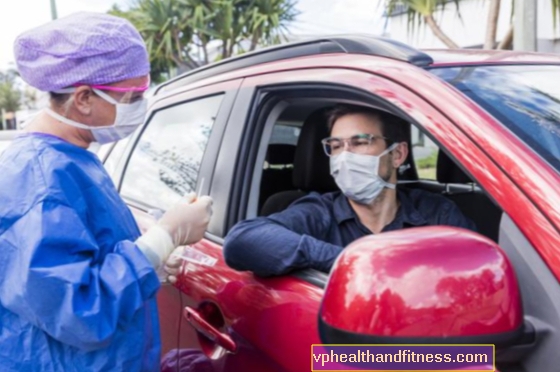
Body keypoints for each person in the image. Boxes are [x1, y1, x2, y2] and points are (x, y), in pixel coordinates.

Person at [0, 12, 212, 371]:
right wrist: (163, 238)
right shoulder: (38, 177)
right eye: (131, 96)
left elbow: (82, 259)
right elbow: (78, 312)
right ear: (83, 98)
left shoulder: (73, 158)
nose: (139, 107)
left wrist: (150, 257)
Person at [223, 104, 476, 277]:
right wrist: (350, 260)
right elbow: (240, 241)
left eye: (360, 142)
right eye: (335, 146)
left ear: (398, 154)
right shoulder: (319, 211)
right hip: (340, 353)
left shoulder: (436, 213)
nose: (344, 156)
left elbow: (474, 271)